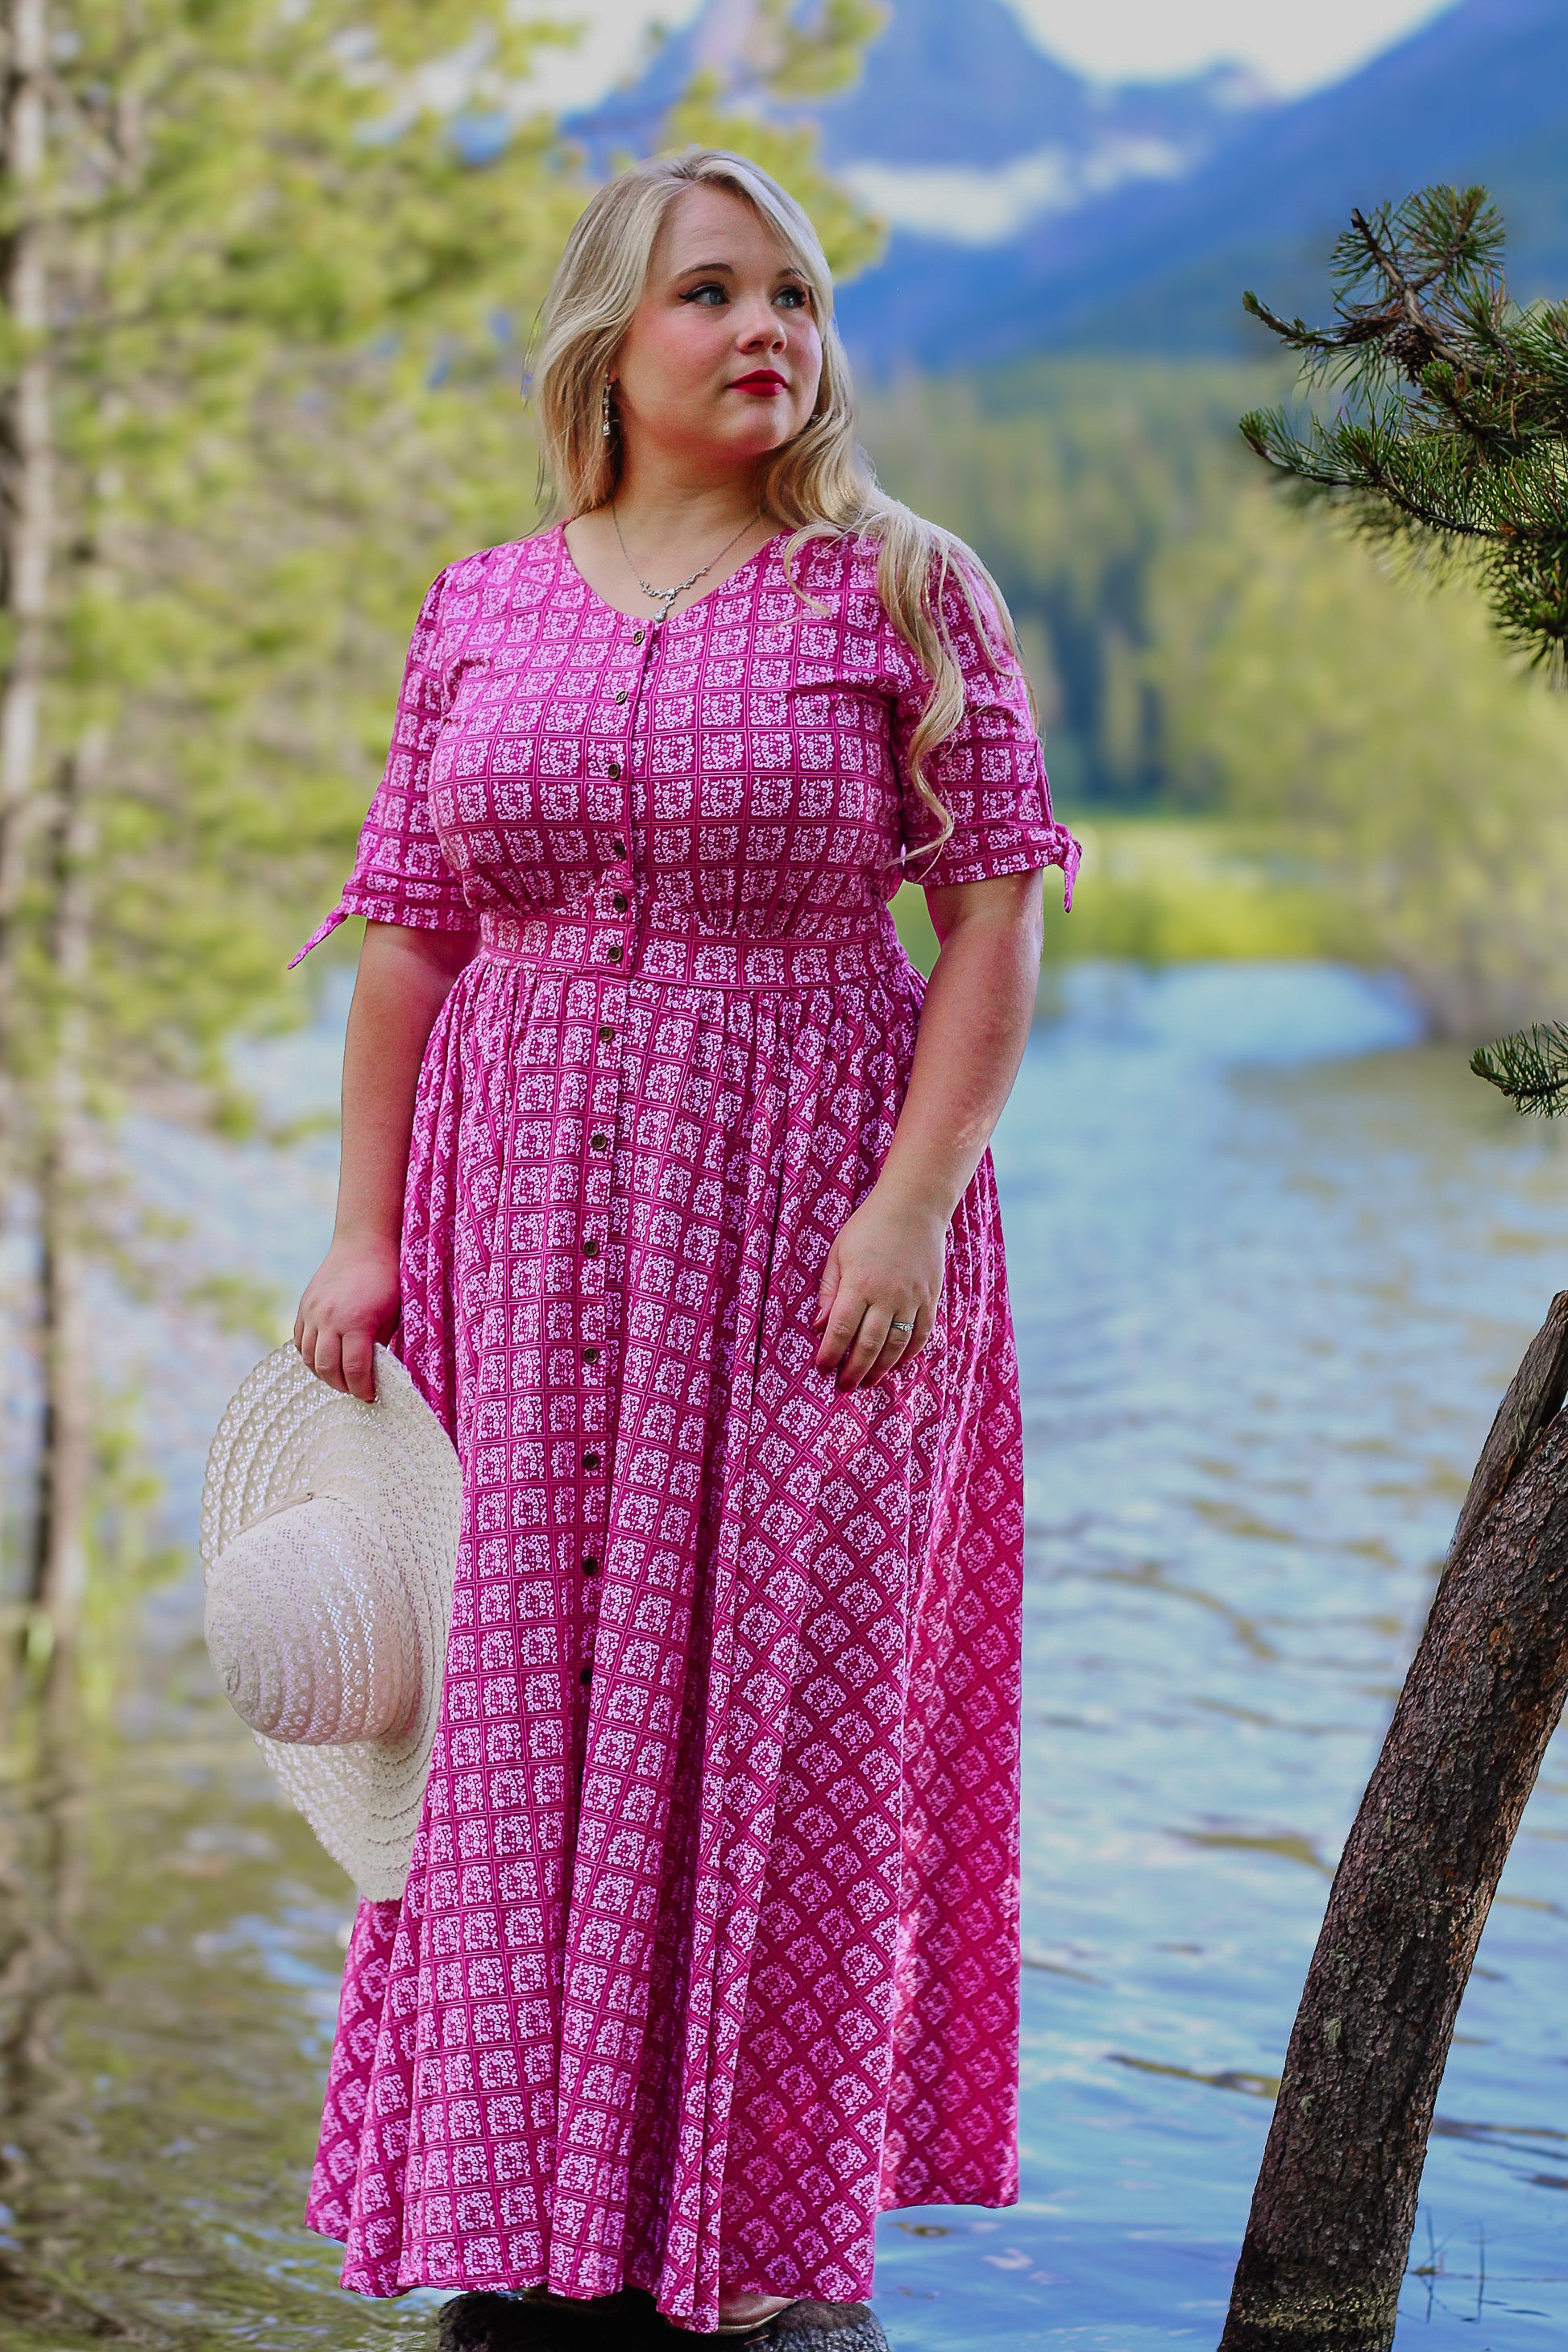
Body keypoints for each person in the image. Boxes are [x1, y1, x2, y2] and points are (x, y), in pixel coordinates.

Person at [290, 147, 1078, 2340]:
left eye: (795, 298)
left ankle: (750, 2253)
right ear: (606, 344)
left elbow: (995, 909)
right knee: (509, 1724)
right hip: (511, 1240)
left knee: (772, 1720)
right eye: (711, 293)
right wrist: (361, 1235)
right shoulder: (483, 601)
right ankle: (512, 2239)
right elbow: (406, 939)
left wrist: (907, 1208)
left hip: (811, 1235)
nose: (764, 332)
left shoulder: (900, 590)